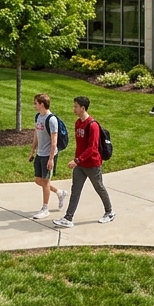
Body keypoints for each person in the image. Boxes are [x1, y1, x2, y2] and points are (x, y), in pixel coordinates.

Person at [53, 95, 116, 228]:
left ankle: (109, 212)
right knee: (75, 190)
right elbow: (80, 146)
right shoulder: (78, 123)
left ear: (83, 108)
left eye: (76, 106)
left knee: (99, 187)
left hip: (92, 164)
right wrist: (78, 160)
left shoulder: (92, 125)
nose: (74, 109)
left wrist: (77, 160)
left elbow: (92, 148)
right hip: (80, 165)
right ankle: (68, 218)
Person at [28, 93, 67, 220]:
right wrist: (32, 151)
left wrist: (51, 159)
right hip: (40, 154)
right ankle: (59, 192)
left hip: (48, 155)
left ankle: (45, 209)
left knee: (45, 182)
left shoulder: (51, 120)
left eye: (35, 103)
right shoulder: (38, 117)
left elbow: (54, 141)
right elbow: (36, 135)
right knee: (38, 180)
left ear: (42, 104)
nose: (34, 105)